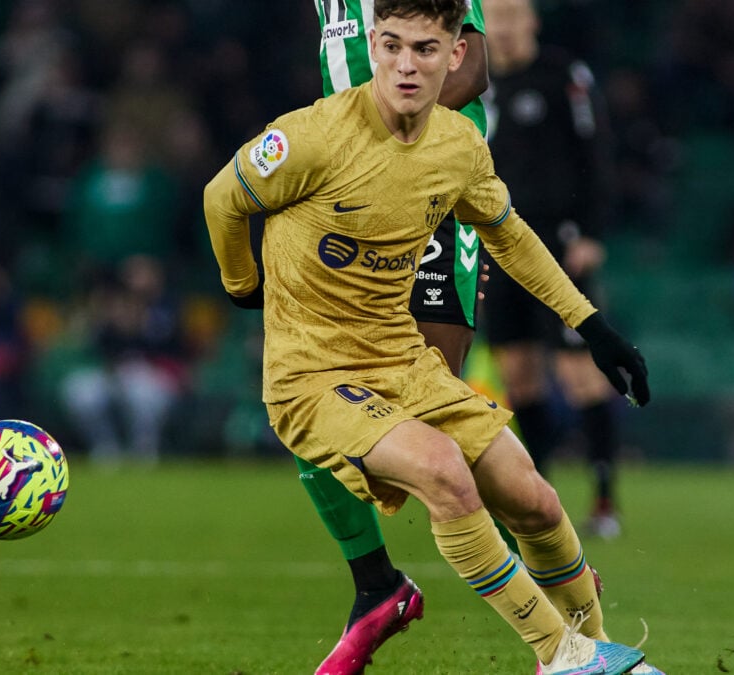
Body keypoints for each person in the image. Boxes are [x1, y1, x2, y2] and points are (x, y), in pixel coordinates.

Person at [204, 1, 662, 673]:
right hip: (314, 376)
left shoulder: (458, 145)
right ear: (372, 46)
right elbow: (223, 196)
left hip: (401, 360)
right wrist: (241, 283)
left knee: (531, 495)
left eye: (425, 49)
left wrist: (591, 325)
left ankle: (588, 650)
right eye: (391, 46)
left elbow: (509, 233)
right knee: (445, 470)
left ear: (456, 55)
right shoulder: (311, 137)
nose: (405, 65)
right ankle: (562, 653)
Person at [300, 1, 490, 671]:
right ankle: (377, 587)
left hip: (430, 191)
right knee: (302, 392)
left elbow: (474, 70)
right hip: (348, 199)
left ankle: (564, 609)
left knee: (439, 405)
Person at [482, 0, 625, 538]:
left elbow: (596, 153)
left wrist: (591, 231)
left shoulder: (564, 77)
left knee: (579, 373)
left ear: (531, 20)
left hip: (558, 245)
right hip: (495, 245)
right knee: (518, 373)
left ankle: (605, 498)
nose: (503, 26)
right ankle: (539, 498)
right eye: (493, 16)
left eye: (512, 14)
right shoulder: (473, 82)